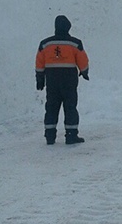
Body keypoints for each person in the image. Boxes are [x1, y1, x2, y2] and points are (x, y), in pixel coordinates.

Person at [35, 15, 90, 145]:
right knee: (70, 107)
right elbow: (83, 60)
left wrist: (40, 79)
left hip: (52, 81)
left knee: (51, 107)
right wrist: (84, 72)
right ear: (68, 27)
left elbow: (39, 62)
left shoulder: (45, 44)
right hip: (69, 81)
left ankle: (50, 136)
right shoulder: (75, 43)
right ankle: (71, 136)